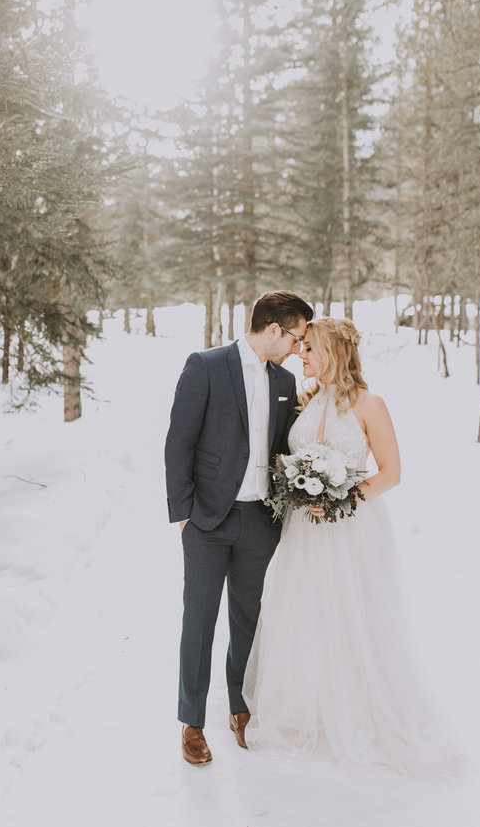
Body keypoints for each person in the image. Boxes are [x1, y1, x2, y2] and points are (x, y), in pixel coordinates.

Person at [242, 317, 460, 774]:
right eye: (300, 348)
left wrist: (340, 498)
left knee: (352, 612)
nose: (301, 355)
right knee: (305, 612)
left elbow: (391, 472)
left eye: (309, 349)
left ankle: (358, 712)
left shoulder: (369, 403)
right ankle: (309, 708)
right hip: (304, 529)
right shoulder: (306, 400)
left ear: (334, 353)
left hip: (351, 528)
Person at [165, 290, 313, 766]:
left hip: (260, 521)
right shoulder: (205, 365)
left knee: (248, 619)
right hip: (207, 520)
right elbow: (178, 441)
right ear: (274, 329)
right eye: (296, 338)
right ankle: (192, 723)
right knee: (200, 620)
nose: (297, 348)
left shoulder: (286, 380)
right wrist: (183, 512)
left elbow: (284, 445)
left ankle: (239, 706)